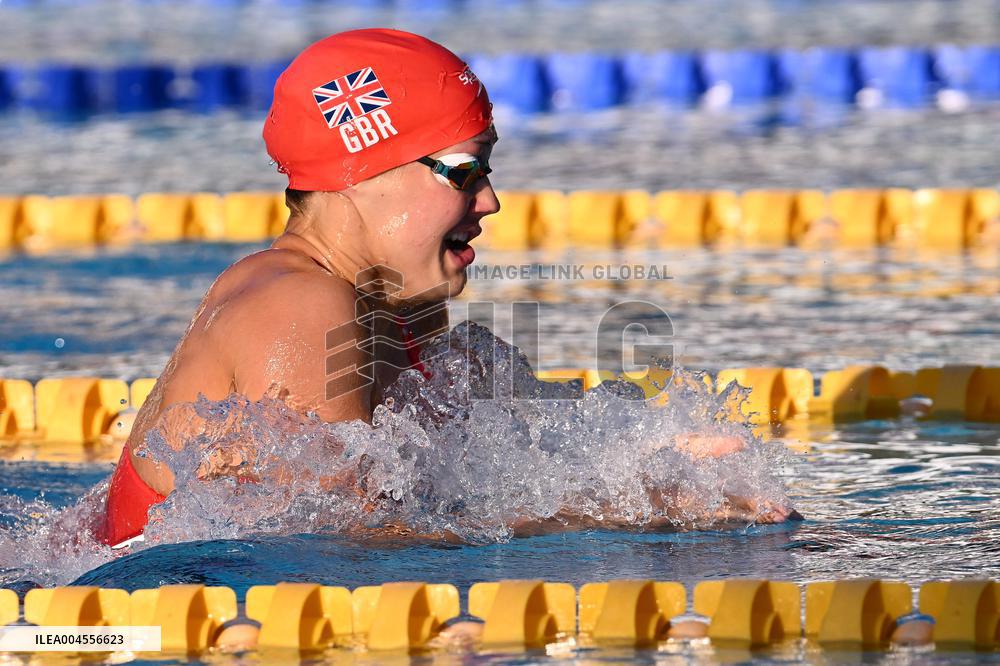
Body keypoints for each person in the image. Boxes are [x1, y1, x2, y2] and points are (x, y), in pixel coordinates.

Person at [99, 29, 794, 549]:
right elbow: (336, 548)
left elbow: (517, 462)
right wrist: (627, 516)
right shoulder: (298, 307)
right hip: (124, 634)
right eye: (463, 170)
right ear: (359, 173)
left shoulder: (397, 315)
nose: (490, 200)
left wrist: (655, 467)